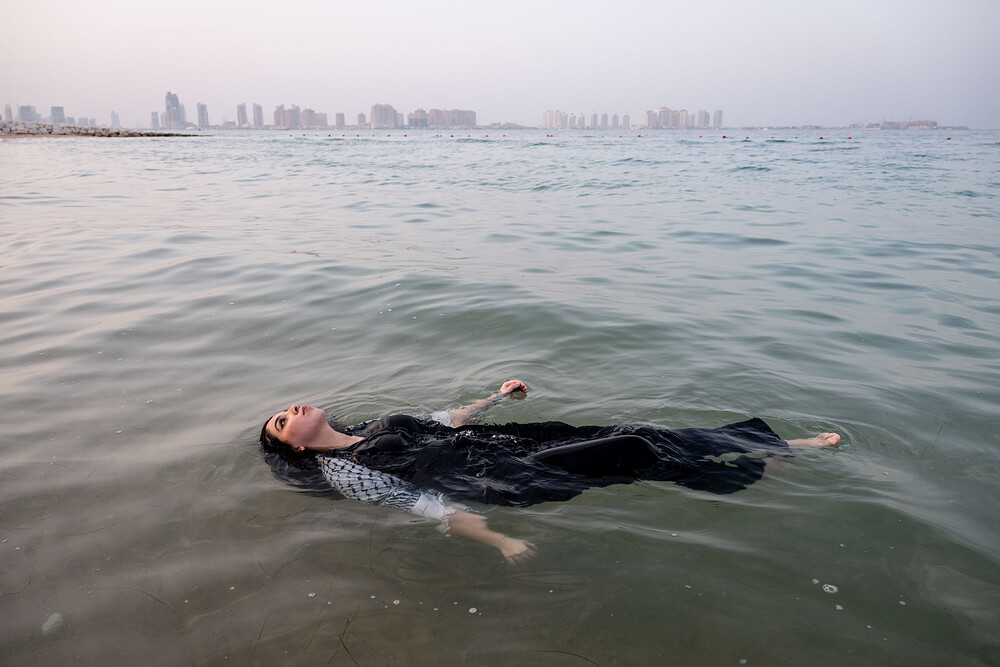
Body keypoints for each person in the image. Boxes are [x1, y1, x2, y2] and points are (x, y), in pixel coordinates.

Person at [259, 380, 840, 564]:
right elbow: (423, 506)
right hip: (498, 480)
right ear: (298, 452)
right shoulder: (346, 472)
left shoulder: (378, 423)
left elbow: (446, 419)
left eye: (287, 408)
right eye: (283, 423)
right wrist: (498, 539)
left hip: (500, 446)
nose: (293, 411)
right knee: (633, 448)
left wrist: (495, 397)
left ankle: (772, 446)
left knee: (641, 433)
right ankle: (758, 462)